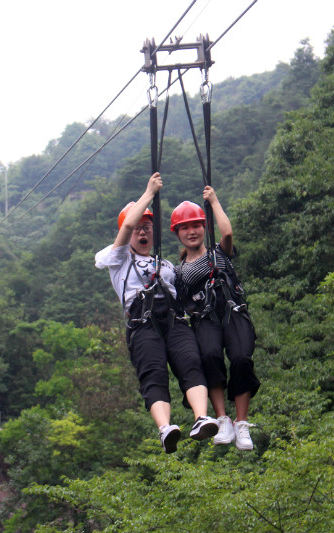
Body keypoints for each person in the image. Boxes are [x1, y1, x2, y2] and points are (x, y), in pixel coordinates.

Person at [95, 172, 219, 453]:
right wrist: (149, 193)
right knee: (153, 374)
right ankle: (165, 428)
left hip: (173, 319)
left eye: (147, 228)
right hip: (143, 322)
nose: (141, 232)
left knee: (191, 362)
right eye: (138, 228)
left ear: (154, 232)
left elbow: (188, 286)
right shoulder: (118, 259)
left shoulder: (164, 264)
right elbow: (127, 224)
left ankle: (201, 418)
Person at [171, 186, 260, 451]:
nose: (192, 231)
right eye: (185, 228)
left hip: (232, 311)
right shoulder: (178, 272)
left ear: (203, 227)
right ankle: (222, 419)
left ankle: (241, 423)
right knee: (209, 357)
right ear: (178, 234)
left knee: (242, 358)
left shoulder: (218, 253)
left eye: (197, 225)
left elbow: (228, 232)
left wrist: (214, 201)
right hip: (204, 318)